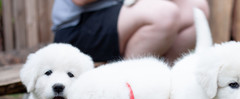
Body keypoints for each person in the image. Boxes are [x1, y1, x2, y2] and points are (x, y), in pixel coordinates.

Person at [52, 0, 209, 64]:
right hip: (77, 27)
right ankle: (130, 90)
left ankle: (164, 88)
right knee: (165, 14)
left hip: (120, 13)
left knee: (197, 9)